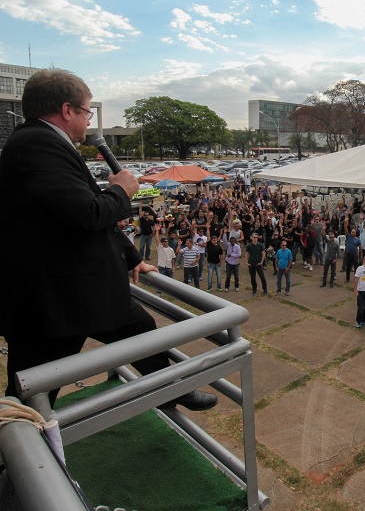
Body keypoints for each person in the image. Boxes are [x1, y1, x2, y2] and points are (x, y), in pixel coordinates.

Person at [0, 68, 215, 411]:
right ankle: (18, 456)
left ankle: (169, 390)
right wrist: (122, 190)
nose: (88, 122)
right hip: (57, 300)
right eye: (86, 112)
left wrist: (133, 259)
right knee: (31, 390)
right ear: (67, 110)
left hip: (75, 290)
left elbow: (84, 219)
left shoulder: (44, 143)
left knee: (140, 327)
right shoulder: (37, 144)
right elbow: (86, 214)